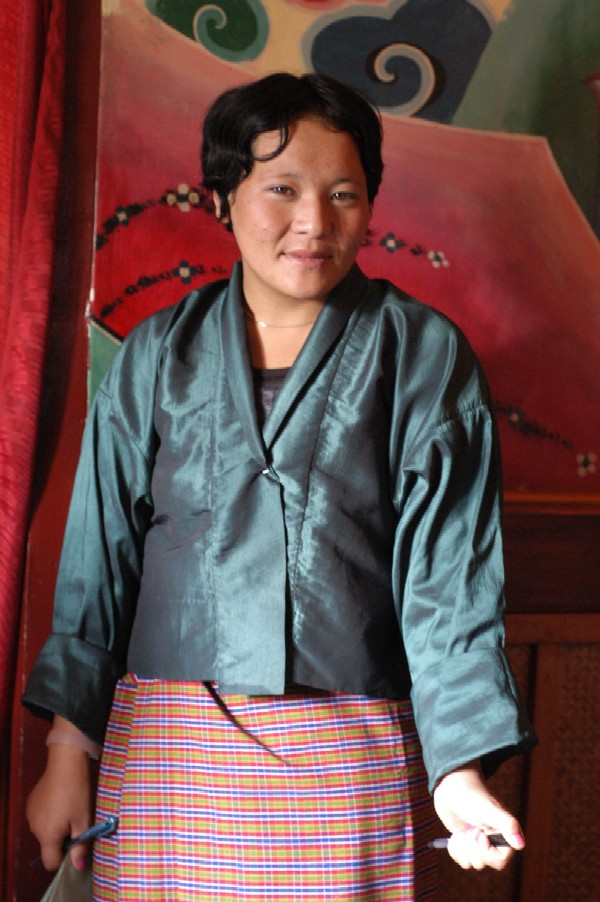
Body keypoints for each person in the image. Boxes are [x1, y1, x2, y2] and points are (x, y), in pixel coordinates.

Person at [24, 72, 536, 900]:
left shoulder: (425, 356)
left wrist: (459, 776)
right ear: (223, 198)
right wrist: (66, 753)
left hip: (349, 755)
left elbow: (452, 591)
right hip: (166, 753)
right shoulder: (156, 356)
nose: (315, 223)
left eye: (344, 193)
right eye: (283, 189)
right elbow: (99, 566)